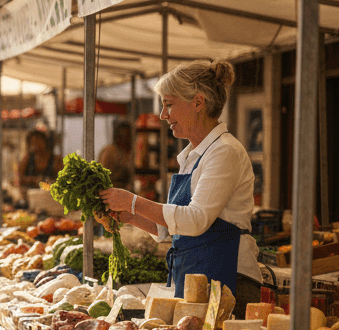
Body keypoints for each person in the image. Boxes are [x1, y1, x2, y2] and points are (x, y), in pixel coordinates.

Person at [99, 60, 261, 311]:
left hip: (227, 283)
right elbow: (175, 228)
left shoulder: (224, 152)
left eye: (169, 105)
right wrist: (129, 216)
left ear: (198, 103)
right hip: (198, 278)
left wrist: (133, 201)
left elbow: (196, 220)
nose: (164, 115)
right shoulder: (192, 156)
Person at [98, 120, 134, 190]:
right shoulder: (109, 151)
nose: (127, 138)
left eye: (128, 135)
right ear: (117, 136)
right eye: (124, 135)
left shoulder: (127, 152)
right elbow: (101, 175)